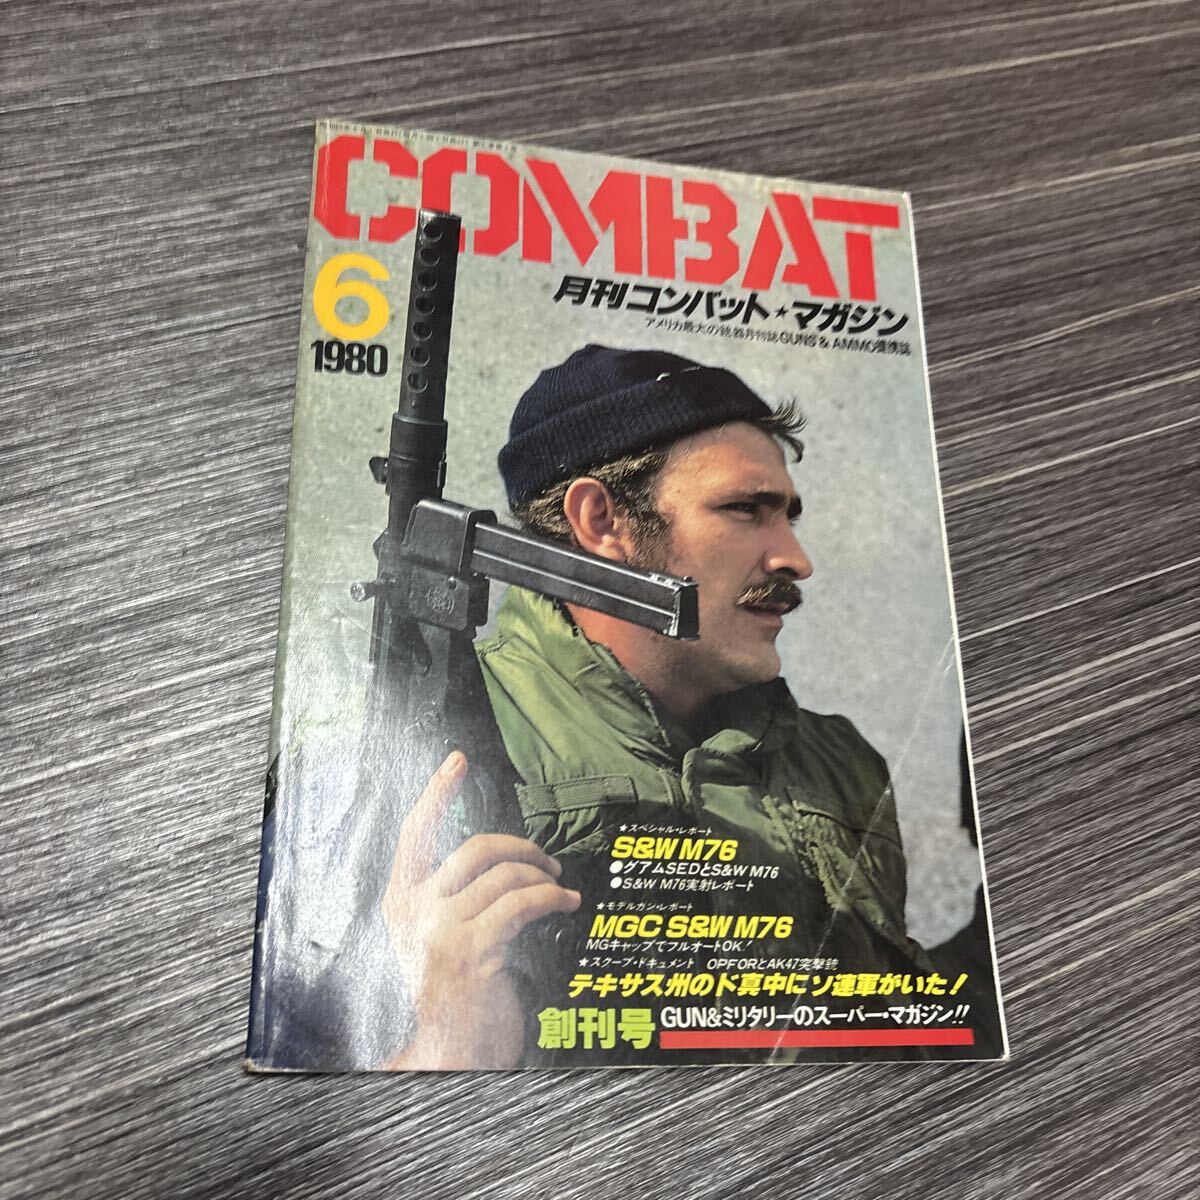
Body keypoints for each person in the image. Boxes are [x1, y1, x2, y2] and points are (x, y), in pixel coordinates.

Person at [381, 345, 940, 1070]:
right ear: (600, 520)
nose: (795, 560)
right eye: (745, 510)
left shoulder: (842, 763)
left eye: (788, 517)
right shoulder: (416, 744)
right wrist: (446, 1041)